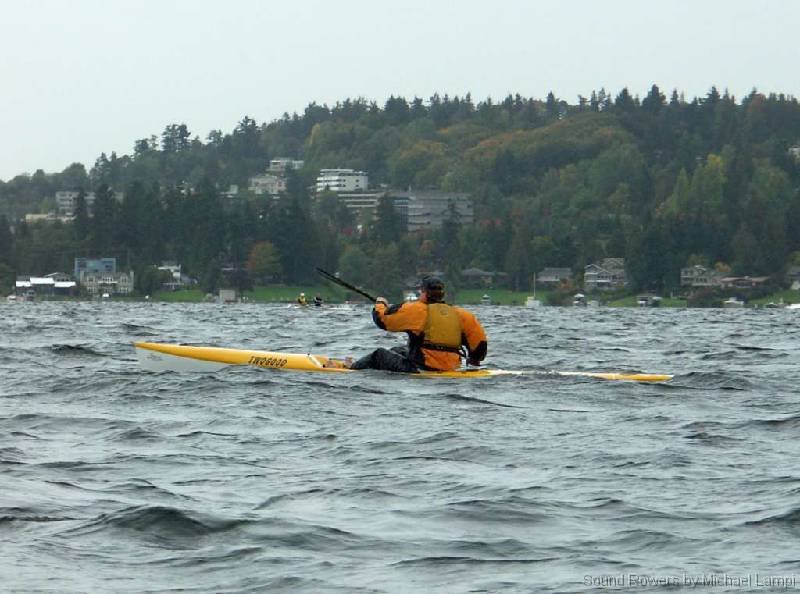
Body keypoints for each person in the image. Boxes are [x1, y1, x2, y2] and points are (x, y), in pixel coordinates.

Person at [349, 276, 487, 373]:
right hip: (451, 368)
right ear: (442, 294)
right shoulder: (462, 314)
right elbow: (480, 346)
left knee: (379, 355)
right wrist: (473, 365)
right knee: (398, 350)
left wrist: (380, 303)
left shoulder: (417, 310)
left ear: (424, 293)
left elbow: (382, 320)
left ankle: (352, 368)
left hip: (421, 368)